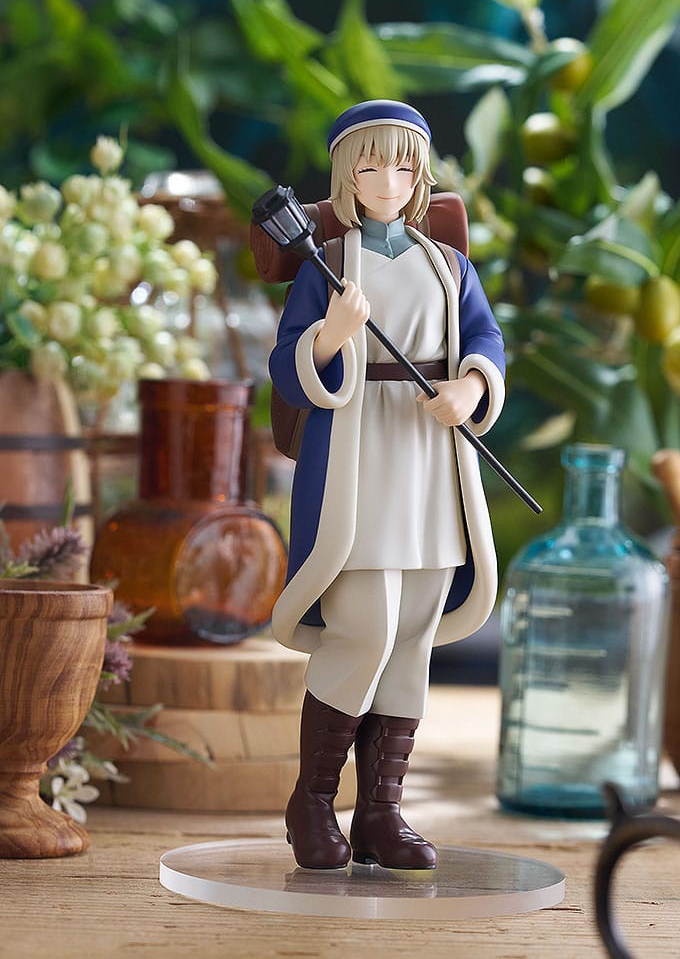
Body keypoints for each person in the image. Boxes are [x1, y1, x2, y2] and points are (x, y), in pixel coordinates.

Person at [268, 99, 506, 871]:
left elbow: (485, 336)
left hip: (431, 465)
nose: (388, 180)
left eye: (404, 165)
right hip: (359, 460)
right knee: (364, 629)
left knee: (410, 640)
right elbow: (287, 368)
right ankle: (312, 800)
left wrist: (471, 386)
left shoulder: (448, 265)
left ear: (420, 175)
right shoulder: (327, 263)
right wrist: (331, 337)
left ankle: (380, 810)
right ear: (346, 175)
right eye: (370, 164)